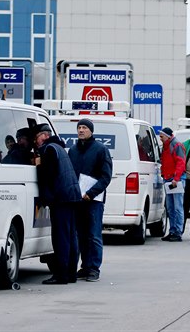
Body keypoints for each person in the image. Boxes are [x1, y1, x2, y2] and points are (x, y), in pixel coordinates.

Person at [31, 124, 81, 285]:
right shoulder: (59, 148)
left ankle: (61, 275)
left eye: (36, 138)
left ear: (43, 136)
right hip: (71, 195)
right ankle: (70, 273)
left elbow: (48, 175)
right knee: (70, 236)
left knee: (60, 237)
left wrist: (38, 165)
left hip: (61, 197)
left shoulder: (49, 150)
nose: (35, 142)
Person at [68, 118, 113, 282]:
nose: (81, 130)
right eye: (79, 127)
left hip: (94, 200)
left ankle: (94, 268)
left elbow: (106, 176)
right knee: (80, 234)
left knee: (93, 235)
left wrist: (91, 193)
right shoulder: (72, 150)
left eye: (84, 128)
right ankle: (84, 266)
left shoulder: (101, 150)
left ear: (91, 131)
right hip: (78, 199)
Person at [158, 127, 186, 242]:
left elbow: (181, 162)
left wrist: (176, 178)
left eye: (162, 136)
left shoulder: (176, 145)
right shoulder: (166, 145)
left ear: (168, 136)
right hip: (169, 179)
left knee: (178, 207)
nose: (160, 138)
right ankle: (172, 230)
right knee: (170, 207)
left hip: (175, 180)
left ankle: (178, 232)